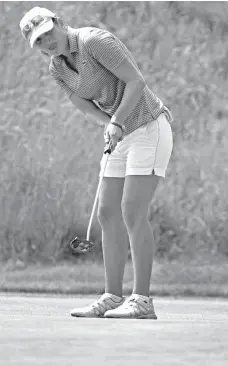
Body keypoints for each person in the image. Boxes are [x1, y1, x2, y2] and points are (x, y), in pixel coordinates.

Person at [20, 6, 173, 319]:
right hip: (120, 133)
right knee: (106, 212)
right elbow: (79, 100)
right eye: (38, 41)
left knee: (132, 211)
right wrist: (109, 124)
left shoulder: (94, 40)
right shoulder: (57, 67)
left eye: (48, 33)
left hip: (148, 126)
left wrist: (117, 121)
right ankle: (113, 296)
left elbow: (136, 81)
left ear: (60, 23)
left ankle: (142, 300)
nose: (47, 43)